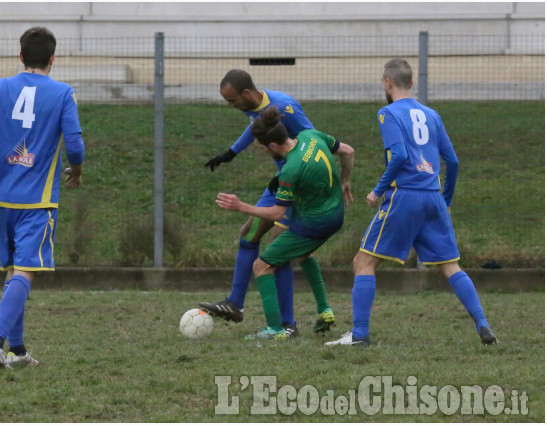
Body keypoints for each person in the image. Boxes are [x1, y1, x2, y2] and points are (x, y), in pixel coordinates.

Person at [326, 58, 497, 347]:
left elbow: (401, 156)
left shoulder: (387, 113)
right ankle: (483, 324)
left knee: (363, 262)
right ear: (412, 83)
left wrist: (377, 190)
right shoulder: (432, 114)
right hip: (433, 197)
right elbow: (452, 161)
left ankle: (360, 335)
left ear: (387, 83)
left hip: (404, 196)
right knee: (451, 266)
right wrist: (448, 200)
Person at [0, 27, 85, 368]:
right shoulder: (63, 93)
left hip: (4, 198)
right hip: (38, 202)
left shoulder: (0, 88)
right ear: (53, 59)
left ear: (20, 56)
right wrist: (77, 172)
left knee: (12, 271)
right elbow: (75, 145)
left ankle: (18, 351)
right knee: (25, 272)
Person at [200, 69, 321, 336]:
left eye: (232, 101)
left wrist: (300, 178)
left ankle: (288, 324)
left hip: (298, 180)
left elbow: (314, 141)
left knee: (279, 247)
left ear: (246, 94)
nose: (231, 106)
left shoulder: (285, 107)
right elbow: (254, 125)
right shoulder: (256, 108)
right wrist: (231, 153)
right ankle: (234, 304)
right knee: (249, 234)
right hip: (282, 178)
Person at [216, 108, 354, 340]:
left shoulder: (291, 169)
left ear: (272, 146)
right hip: (335, 213)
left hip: (314, 222)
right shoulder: (311, 136)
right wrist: (345, 182)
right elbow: (348, 152)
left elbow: (277, 213)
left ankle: (276, 329)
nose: (260, 152)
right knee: (303, 254)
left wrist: (241, 206)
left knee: (262, 266)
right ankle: (324, 309)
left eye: (260, 148)